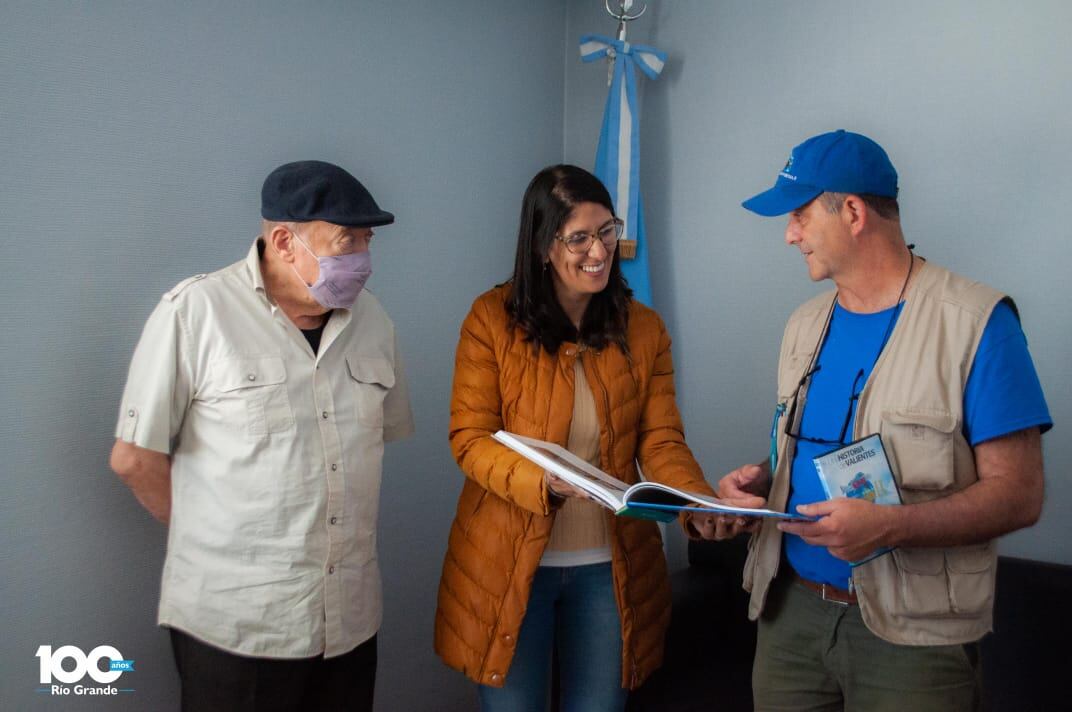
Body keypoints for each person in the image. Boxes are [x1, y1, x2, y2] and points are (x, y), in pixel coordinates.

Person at [707, 130, 1051, 711]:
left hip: (912, 643)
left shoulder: (978, 324)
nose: (790, 234)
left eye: (799, 214)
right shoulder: (802, 325)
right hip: (788, 616)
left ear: (853, 211)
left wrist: (889, 527)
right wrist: (762, 483)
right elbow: (815, 445)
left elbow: (1019, 496)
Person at [109, 160, 413, 712]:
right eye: (347, 241)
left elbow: (374, 441)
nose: (362, 262)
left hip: (347, 618)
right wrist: (218, 543)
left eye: (366, 242)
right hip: (238, 624)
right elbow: (134, 458)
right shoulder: (196, 314)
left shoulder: (375, 324)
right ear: (283, 241)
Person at [433, 164, 717, 710]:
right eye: (579, 238)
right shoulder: (491, 319)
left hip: (609, 569)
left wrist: (694, 502)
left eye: (607, 231)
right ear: (543, 245)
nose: (599, 251)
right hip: (509, 561)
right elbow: (470, 438)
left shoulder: (644, 328)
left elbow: (661, 442)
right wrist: (546, 482)